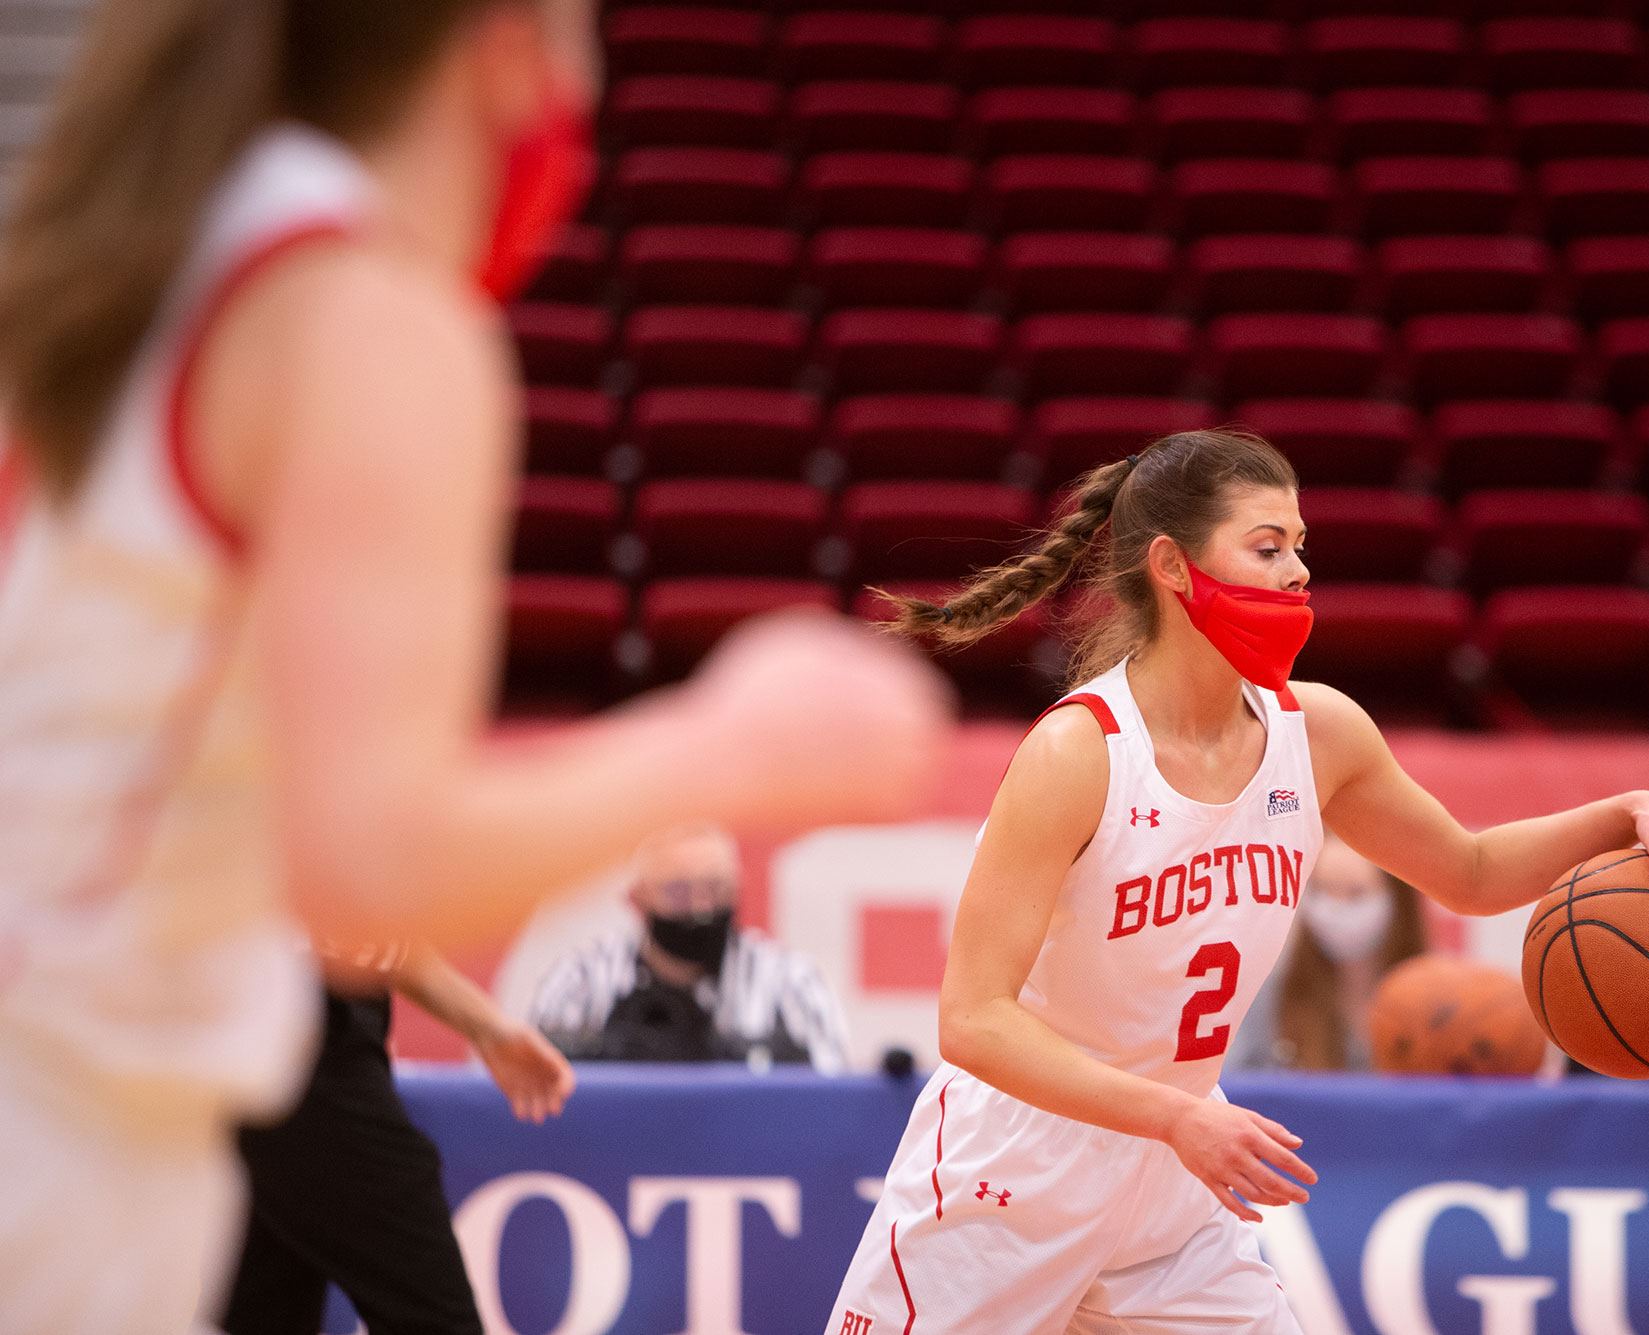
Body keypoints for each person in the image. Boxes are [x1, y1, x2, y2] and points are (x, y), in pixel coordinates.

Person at [0, 2, 946, 1330]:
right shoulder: (363, 314)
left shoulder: (147, 269)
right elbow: (366, 868)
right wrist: (734, 742)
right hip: (66, 1147)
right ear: (513, 47)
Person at [824, 430, 1649, 1335]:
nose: (1299, 570)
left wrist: (1624, 810)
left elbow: (1468, 873)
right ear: (1174, 567)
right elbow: (973, 1018)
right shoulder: (1079, 753)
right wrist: (1176, 1115)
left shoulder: (1319, 732)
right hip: (1017, 1171)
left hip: (1176, 1181)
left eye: (1300, 547)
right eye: (1267, 546)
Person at [224, 941, 572, 1335]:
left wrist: (489, 1028)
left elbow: (364, 925)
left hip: (287, 1036)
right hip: (289, 1044)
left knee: (262, 1312)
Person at [528, 824, 851, 1070]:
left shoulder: (792, 982)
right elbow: (525, 1091)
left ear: (739, 887)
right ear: (637, 898)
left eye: (716, 889)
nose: (700, 909)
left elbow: (833, 1101)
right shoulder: (581, 980)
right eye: (679, 892)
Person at [1225, 836, 1426, 1073]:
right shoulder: (1271, 991)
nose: (1335, 908)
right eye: (1321, 890)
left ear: (1398, 901)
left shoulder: (1433, 999)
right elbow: (1238, 1086)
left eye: (1355, 893)